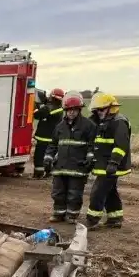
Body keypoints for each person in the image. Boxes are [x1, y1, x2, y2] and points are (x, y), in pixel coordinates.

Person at [43, 91, 96, 223]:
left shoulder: (89, 126)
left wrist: (90, 158)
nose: (71, 112)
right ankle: (58, 214)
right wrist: (48, 158)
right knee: (58, 192)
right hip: (60, 167)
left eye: (74, 110)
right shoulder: (60, 127)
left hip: (78, 167)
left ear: (79, 110)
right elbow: (53, 145)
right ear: (65, 110)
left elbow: (92, 145)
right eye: (69, 110)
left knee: (74, 193)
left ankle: (72, 215)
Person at [86, 93, 131, 229]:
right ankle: (115, 218)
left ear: (111, 108)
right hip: (104, 164)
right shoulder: (104, 121)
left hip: (111, 165)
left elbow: (121, 145)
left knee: (98, 192)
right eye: (96, 110)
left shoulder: (119, 122)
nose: (98, 112)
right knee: (110, 191)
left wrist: (114, 163)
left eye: (101, 109)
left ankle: (92, 220)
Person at [32, 88, 64, 178]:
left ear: (52, 97)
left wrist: (35, 106)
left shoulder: (49, 108)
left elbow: (37, 115)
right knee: (49, 156)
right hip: (53, 138)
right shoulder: (59, 108)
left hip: (43, 138)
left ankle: (38, 174)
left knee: (39, 157)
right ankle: (48, 172)